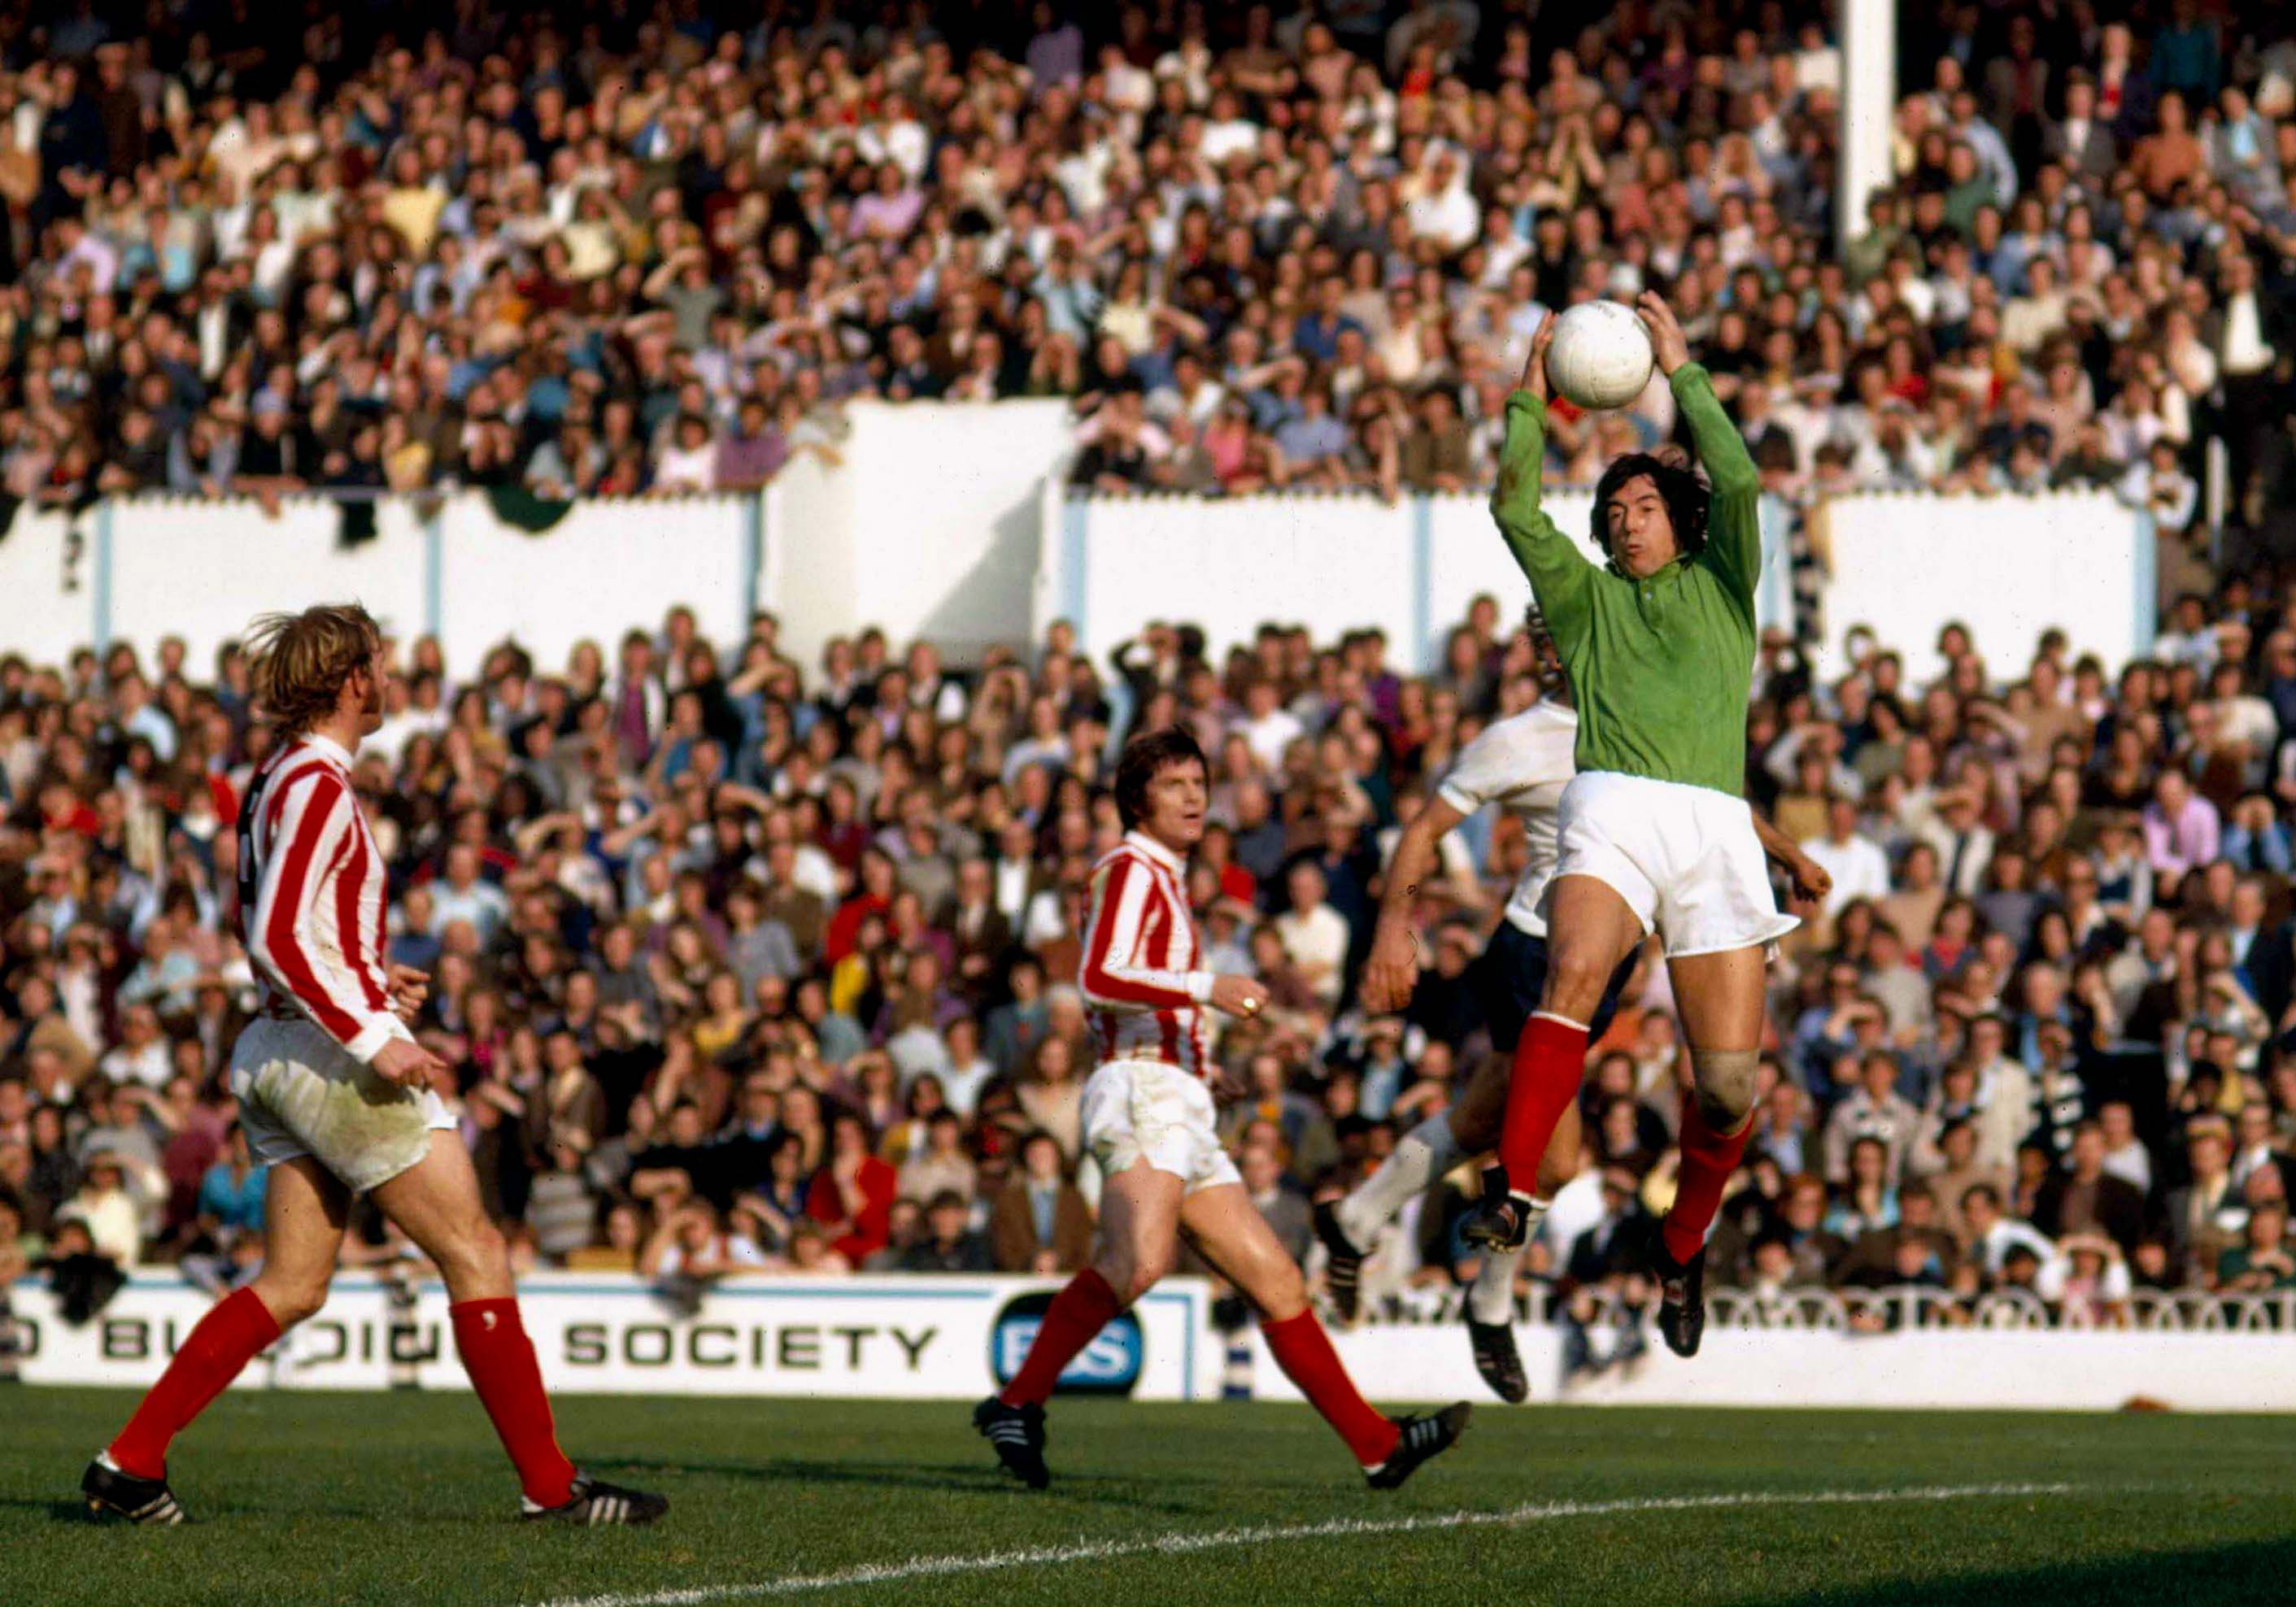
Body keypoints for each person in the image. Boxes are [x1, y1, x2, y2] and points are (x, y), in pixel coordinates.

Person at [81, 604, 664, 1529]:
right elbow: (275, 934)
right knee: (475, 1249)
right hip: (326, 1057)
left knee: (296, 1281)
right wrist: (370, 1032)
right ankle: (552, 1487)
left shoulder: (276, 773)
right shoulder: (316, 779)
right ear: (355, 680)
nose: (391, 682)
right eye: (382, 668)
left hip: (275, 1046)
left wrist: (363, 972)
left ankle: (131, 1462)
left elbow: (288, 923)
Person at [1316, 608, 1828, 1401]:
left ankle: (1356, 1221)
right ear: (1543, 653)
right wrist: (1393, 926)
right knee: (1549, 1155)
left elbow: (1710, 796)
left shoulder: (1643, 715)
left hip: (1608, 960)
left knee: (1493, 1119)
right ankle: (1481, 1297)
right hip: (1536, 955)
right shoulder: (1520, 738)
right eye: (1557, 637)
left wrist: (1783, 848)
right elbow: (1424, 826)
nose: (1575, 648)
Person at [974, 727, 1467, 1491]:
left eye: (1200, 781)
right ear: (1138, 800)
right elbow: (1100, 976)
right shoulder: (1131, 866)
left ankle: (1378, 1445)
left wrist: (1200, 1066)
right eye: (1175, 785)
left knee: (1275, 1282)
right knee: (1138, 1262)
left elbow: (1136, 985)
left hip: (1173, 1089)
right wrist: (1208, 987)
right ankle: (1016, 1400)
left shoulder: (1161, 875)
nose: (1196, 795)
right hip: (1140, 1089)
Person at [1466, 296, 1801, 1363]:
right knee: (1569, 979)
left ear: (1678, 518)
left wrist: (1680, 370)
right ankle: (1514, 1192)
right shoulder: (1585, 602)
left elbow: (1740, 479)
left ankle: (1682, 1240)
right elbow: (1516, 512)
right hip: (1607, 803)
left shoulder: (1722, 585)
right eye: (1612, 508)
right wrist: (1527, 395)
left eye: (1642, 503)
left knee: (1727, 1088)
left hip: (1710, 824)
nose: (1622, 518)